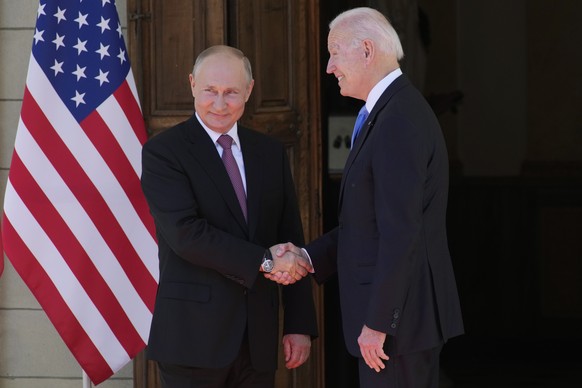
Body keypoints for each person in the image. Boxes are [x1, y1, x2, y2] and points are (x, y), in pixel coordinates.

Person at [269, 7, 464, 388]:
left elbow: (400, 231)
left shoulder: (398, 121)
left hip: (399, 330)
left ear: (367, 51)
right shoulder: (387, 112)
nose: (329, 67)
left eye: (335, 52)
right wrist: (307, 258)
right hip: (398, 328)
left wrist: (378, 323)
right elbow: (368, 225)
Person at [141, 45, 318, 388]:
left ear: (249, 91)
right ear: (193, 84)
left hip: (258, 340)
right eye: (210, 91)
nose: (219, 104)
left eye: (231, 93)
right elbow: (187, 235)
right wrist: (264, 261)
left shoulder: (269, 152)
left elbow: (290, 235)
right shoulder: (164, 152)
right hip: (191, 341)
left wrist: (299, 323)